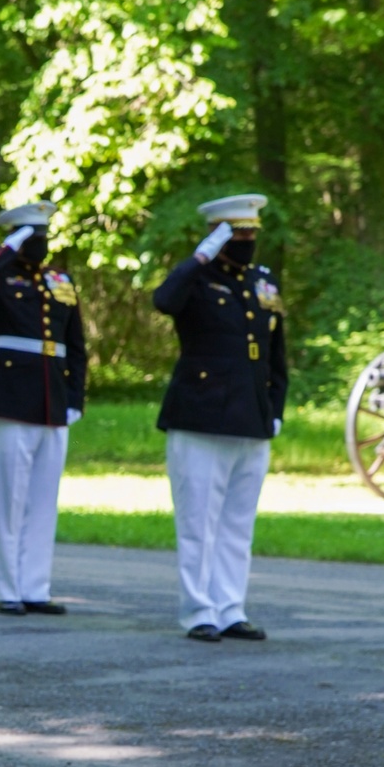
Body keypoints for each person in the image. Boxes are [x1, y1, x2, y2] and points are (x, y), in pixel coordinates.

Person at [153, 194, 286, 642]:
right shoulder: (196, 277)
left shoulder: (262, 282)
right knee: (198, 523)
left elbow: (276, 355)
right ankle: (199, 611)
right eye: (237, 232)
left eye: (251, 232)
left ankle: (231, 608)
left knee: (237, 524)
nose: (247, 240)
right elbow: (164, 301)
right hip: (201, 416)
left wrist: (276, 409)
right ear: (218, 234)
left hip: (252, 416)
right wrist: (200, 256)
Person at [0, 202, 87, 614]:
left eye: (42, 233)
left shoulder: (59, 280)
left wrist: (74, 397)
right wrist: (6, 252)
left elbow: (76, 348)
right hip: (6, 399)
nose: (39, 242)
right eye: (30, 235)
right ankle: (6, 588)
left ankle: (35, 587)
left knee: (44, 500)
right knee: (8, 501)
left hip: (52, 402)